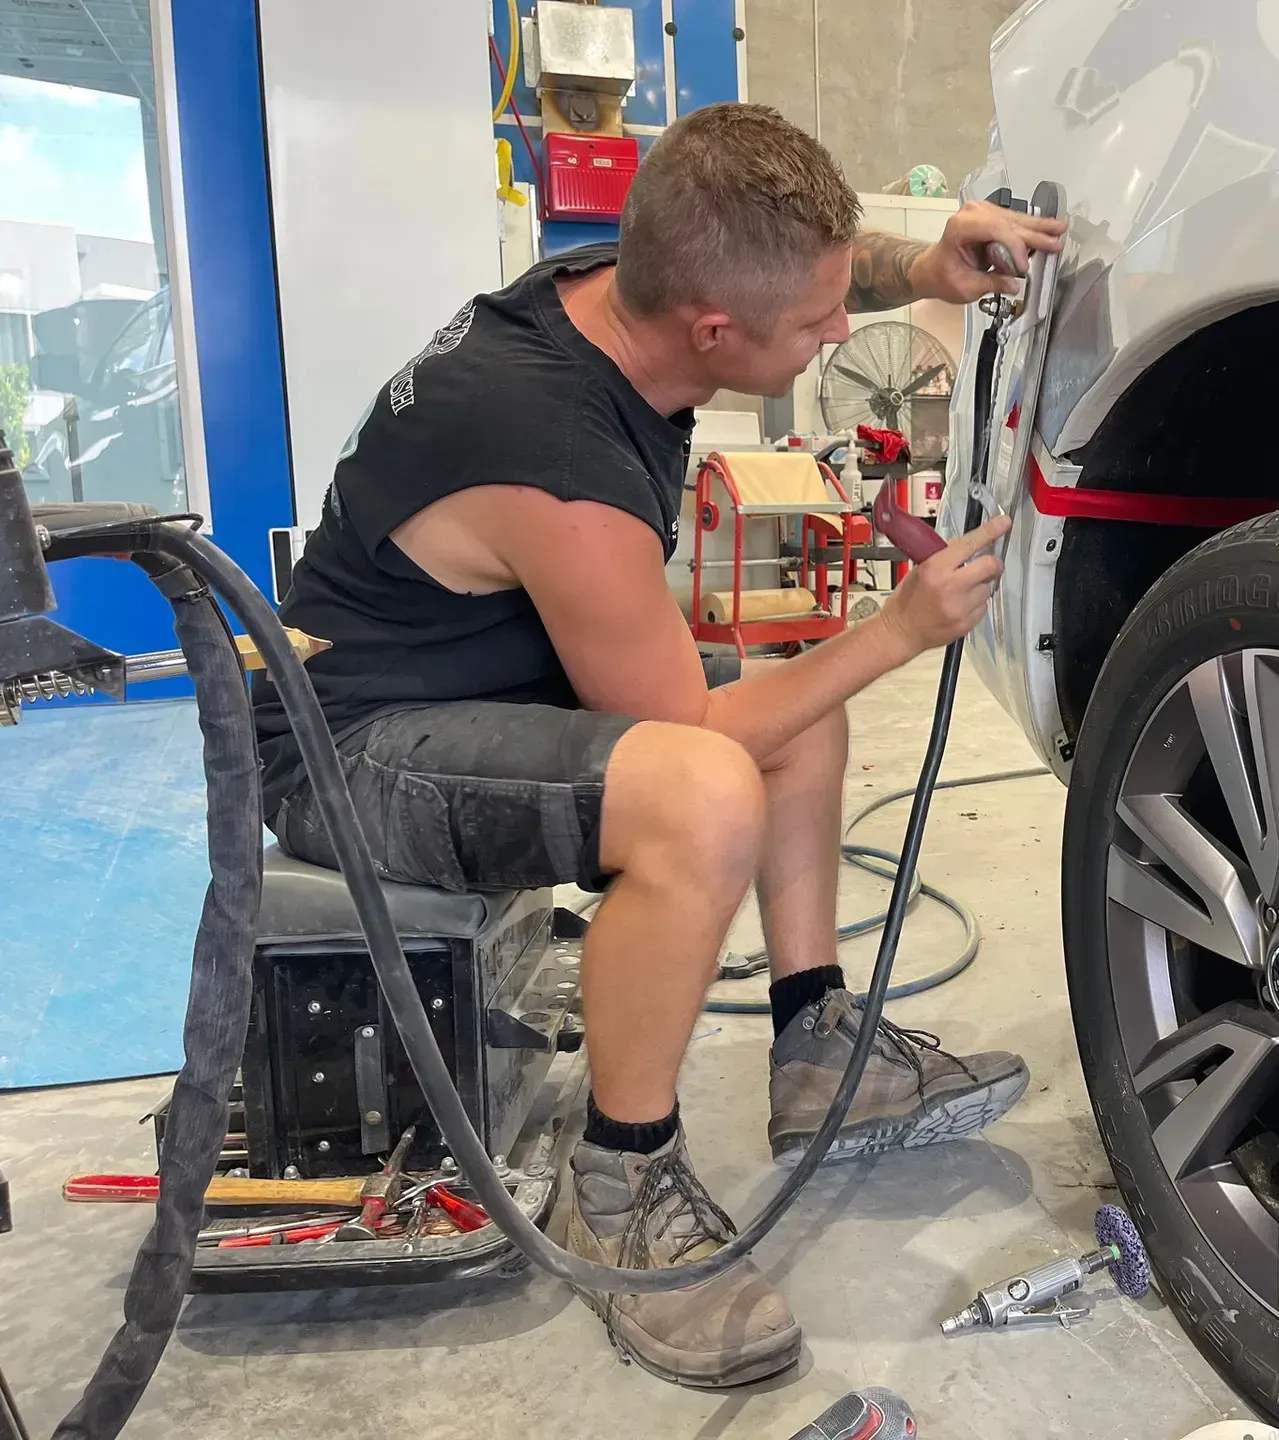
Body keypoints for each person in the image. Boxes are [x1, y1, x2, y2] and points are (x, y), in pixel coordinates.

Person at [251, 102, 1066, 1387]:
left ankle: (815, 1049)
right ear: (713, 335)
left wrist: (931, 254)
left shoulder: (611, 287)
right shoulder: (560, 460)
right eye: (812, 329)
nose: (838, 333)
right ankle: (621, 1181)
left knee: (802, 704)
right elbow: (685, 734)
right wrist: (903, 627)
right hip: (353, 747)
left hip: (478, 669)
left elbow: (775, 266)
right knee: (700, 787)